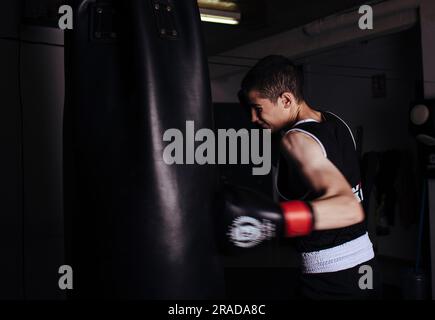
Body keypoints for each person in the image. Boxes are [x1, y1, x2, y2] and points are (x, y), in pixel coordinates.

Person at [218, 55, 381, 299]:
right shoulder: (336, 122)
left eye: (258, 108)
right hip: (366, 266)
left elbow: (348, 208)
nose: (253, 118)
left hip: (331, 278)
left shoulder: (295, 139)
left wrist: (276, 220)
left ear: (285, 99)